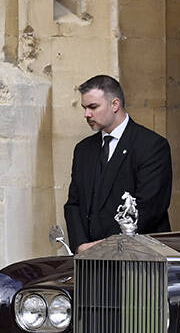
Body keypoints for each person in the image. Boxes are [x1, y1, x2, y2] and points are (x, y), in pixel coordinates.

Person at [63, 75, 172, 252]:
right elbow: (74, 204)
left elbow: (150, 208)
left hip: (138, 260)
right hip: (90, 262)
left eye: (93, 107)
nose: (87, 114)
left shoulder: (151, 145)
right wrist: (81, 245)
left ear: (115, 105)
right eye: (84, 108)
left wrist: (106, 246)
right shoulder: (83, 149)